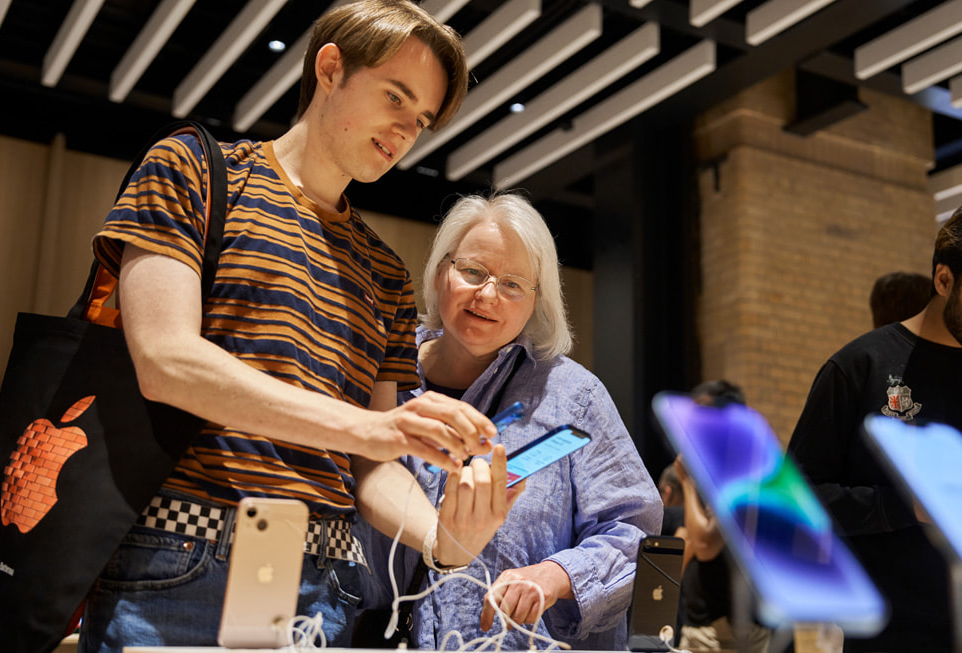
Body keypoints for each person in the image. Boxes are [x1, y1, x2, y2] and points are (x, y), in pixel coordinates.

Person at [76, 2, 521, 651]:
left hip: (322, 581)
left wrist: (444, 538)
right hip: (179, 554)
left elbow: (373, 468)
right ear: (331, 68)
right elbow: (166, 360)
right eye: (395, 97)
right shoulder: (195, 171)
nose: (406, 130)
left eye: (421, 119)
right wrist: (370, 428)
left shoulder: (386, 273)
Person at [355, 192, 663, 650]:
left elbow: (635, 533)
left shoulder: (573, 397)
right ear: (441, 273)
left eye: (513, 284)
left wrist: (555, 576)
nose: (487, 295)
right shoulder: (378, 378)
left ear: (536, 301)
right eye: (472, 271)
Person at [787, 211, 962, 651]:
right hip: (891, 635)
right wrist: (905, 506)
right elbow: (796, 499)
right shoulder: (859, 367)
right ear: (944, 279)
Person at [675, 380, 770, 653]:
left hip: (723, 633)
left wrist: (687, 482)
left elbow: (706, 544)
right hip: (715, 627)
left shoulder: (740, 470)